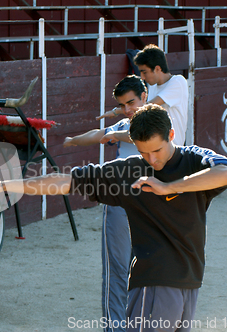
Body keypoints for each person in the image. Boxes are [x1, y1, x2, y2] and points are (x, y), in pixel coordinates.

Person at [0, 104, 227, 332]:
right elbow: (65, 181)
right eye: (144, 152)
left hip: (190, 280)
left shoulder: (195, 160)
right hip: (153, 280)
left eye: (157, 150)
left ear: (172, 135)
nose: (152, 159)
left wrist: (170, 187)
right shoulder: (127, 172)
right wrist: (7, 185)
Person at [63, 75, 145, 332]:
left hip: (150, 204)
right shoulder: (123, 123)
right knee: (118, 268)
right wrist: (74, 140)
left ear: (144, 96)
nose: (128, 110)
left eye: (131, 103)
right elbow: (98, 134)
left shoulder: (157, 120)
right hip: (121, 202)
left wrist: (115, 134)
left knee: (144, 267)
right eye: (123, 106)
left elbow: (142, 135)